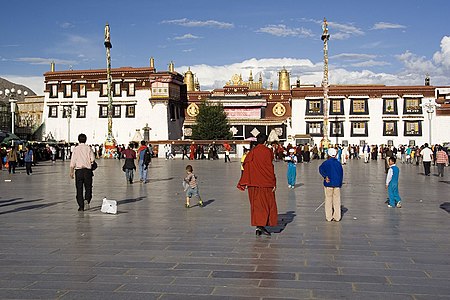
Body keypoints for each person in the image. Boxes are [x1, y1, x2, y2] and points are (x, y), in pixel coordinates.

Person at [237, 134, 278, 236]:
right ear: (265, 142)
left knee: (256, 205)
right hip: (266, 183)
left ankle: (258, 226)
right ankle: (261, 225)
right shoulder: (268, 151)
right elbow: (270, 167)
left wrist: (246, 180)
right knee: (266, 205)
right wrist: (273, 182)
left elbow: (245, 164)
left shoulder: (252, 152)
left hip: (253, 184)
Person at [69, 134, 95, 211]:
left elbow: (72, 161)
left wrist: (71, 172)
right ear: (85, 139)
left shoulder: (76, 149)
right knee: (88, 187)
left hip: (79, 171)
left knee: (79, 189)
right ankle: (87, 199)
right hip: (87, 171)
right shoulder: (88, 148)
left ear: (78, 140)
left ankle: (81, 206)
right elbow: (92, 159)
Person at [319, 148, 344, 222]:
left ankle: (329, 217)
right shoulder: (338, 163)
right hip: (337, 184)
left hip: (328, 184)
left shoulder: (326, 163)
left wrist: (325, 176)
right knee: (337, 200)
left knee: (328, 200)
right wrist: (340, 183)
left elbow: (320, 169)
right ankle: (337, 217)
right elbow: (341, 174)